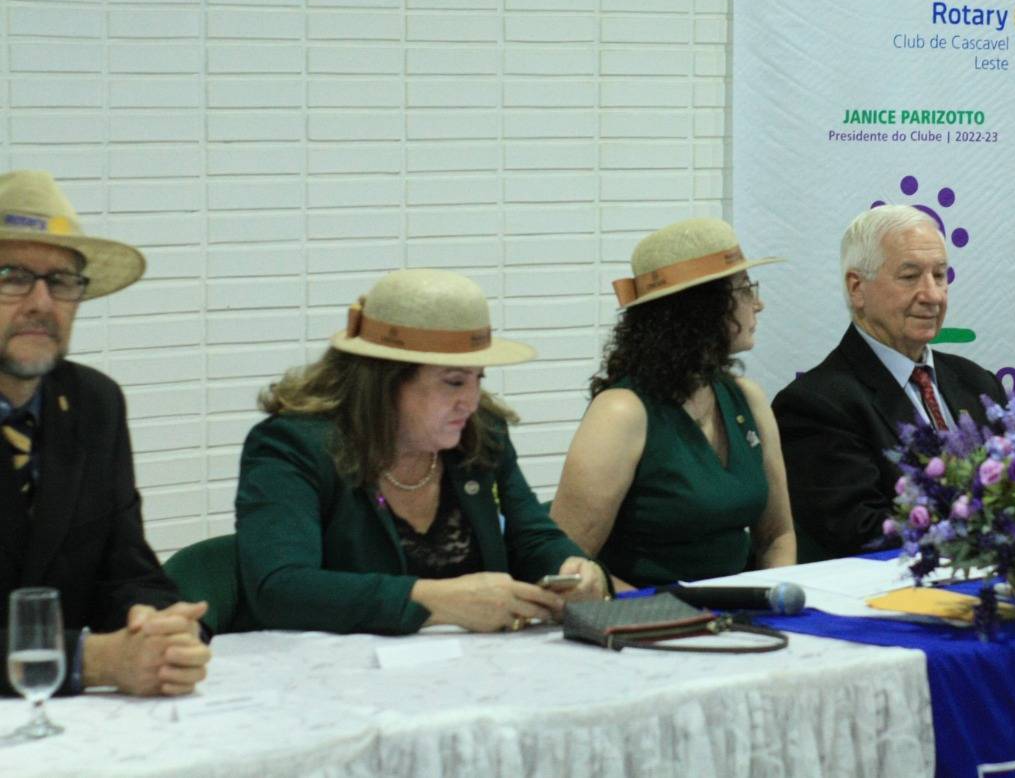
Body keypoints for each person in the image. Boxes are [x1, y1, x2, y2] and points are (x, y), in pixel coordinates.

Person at [235, 268, 608, 634]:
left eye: (478, 379)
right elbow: (279, 588)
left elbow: (534, 539)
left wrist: (574, 569)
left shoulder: (481, 434)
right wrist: (436, 601)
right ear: (384, 380)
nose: (471, 402)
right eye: (454, 382)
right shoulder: (292, 446)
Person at [0, 169, 210, 697]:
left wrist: (158, 625)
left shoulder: (95, 403)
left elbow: (128, 570)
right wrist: (90, 661)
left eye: (62, 281)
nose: (41, 303)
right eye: (12, 277)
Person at [551, 218, 795, 590]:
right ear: (702, 308)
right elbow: (566, 563)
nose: (758, 304)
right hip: (646, 616)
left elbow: (777, 535)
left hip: (737, 612)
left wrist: (773, 599)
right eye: (745, 289)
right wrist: (660, 611)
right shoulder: (621, 412)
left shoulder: (748, 398)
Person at [774, 205, 1008, 562]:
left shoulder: (979, 384)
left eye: (940, 276)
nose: (932, 295)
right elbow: (862, 532)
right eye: (910, 277)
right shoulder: (816, 404)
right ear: (857, 288)